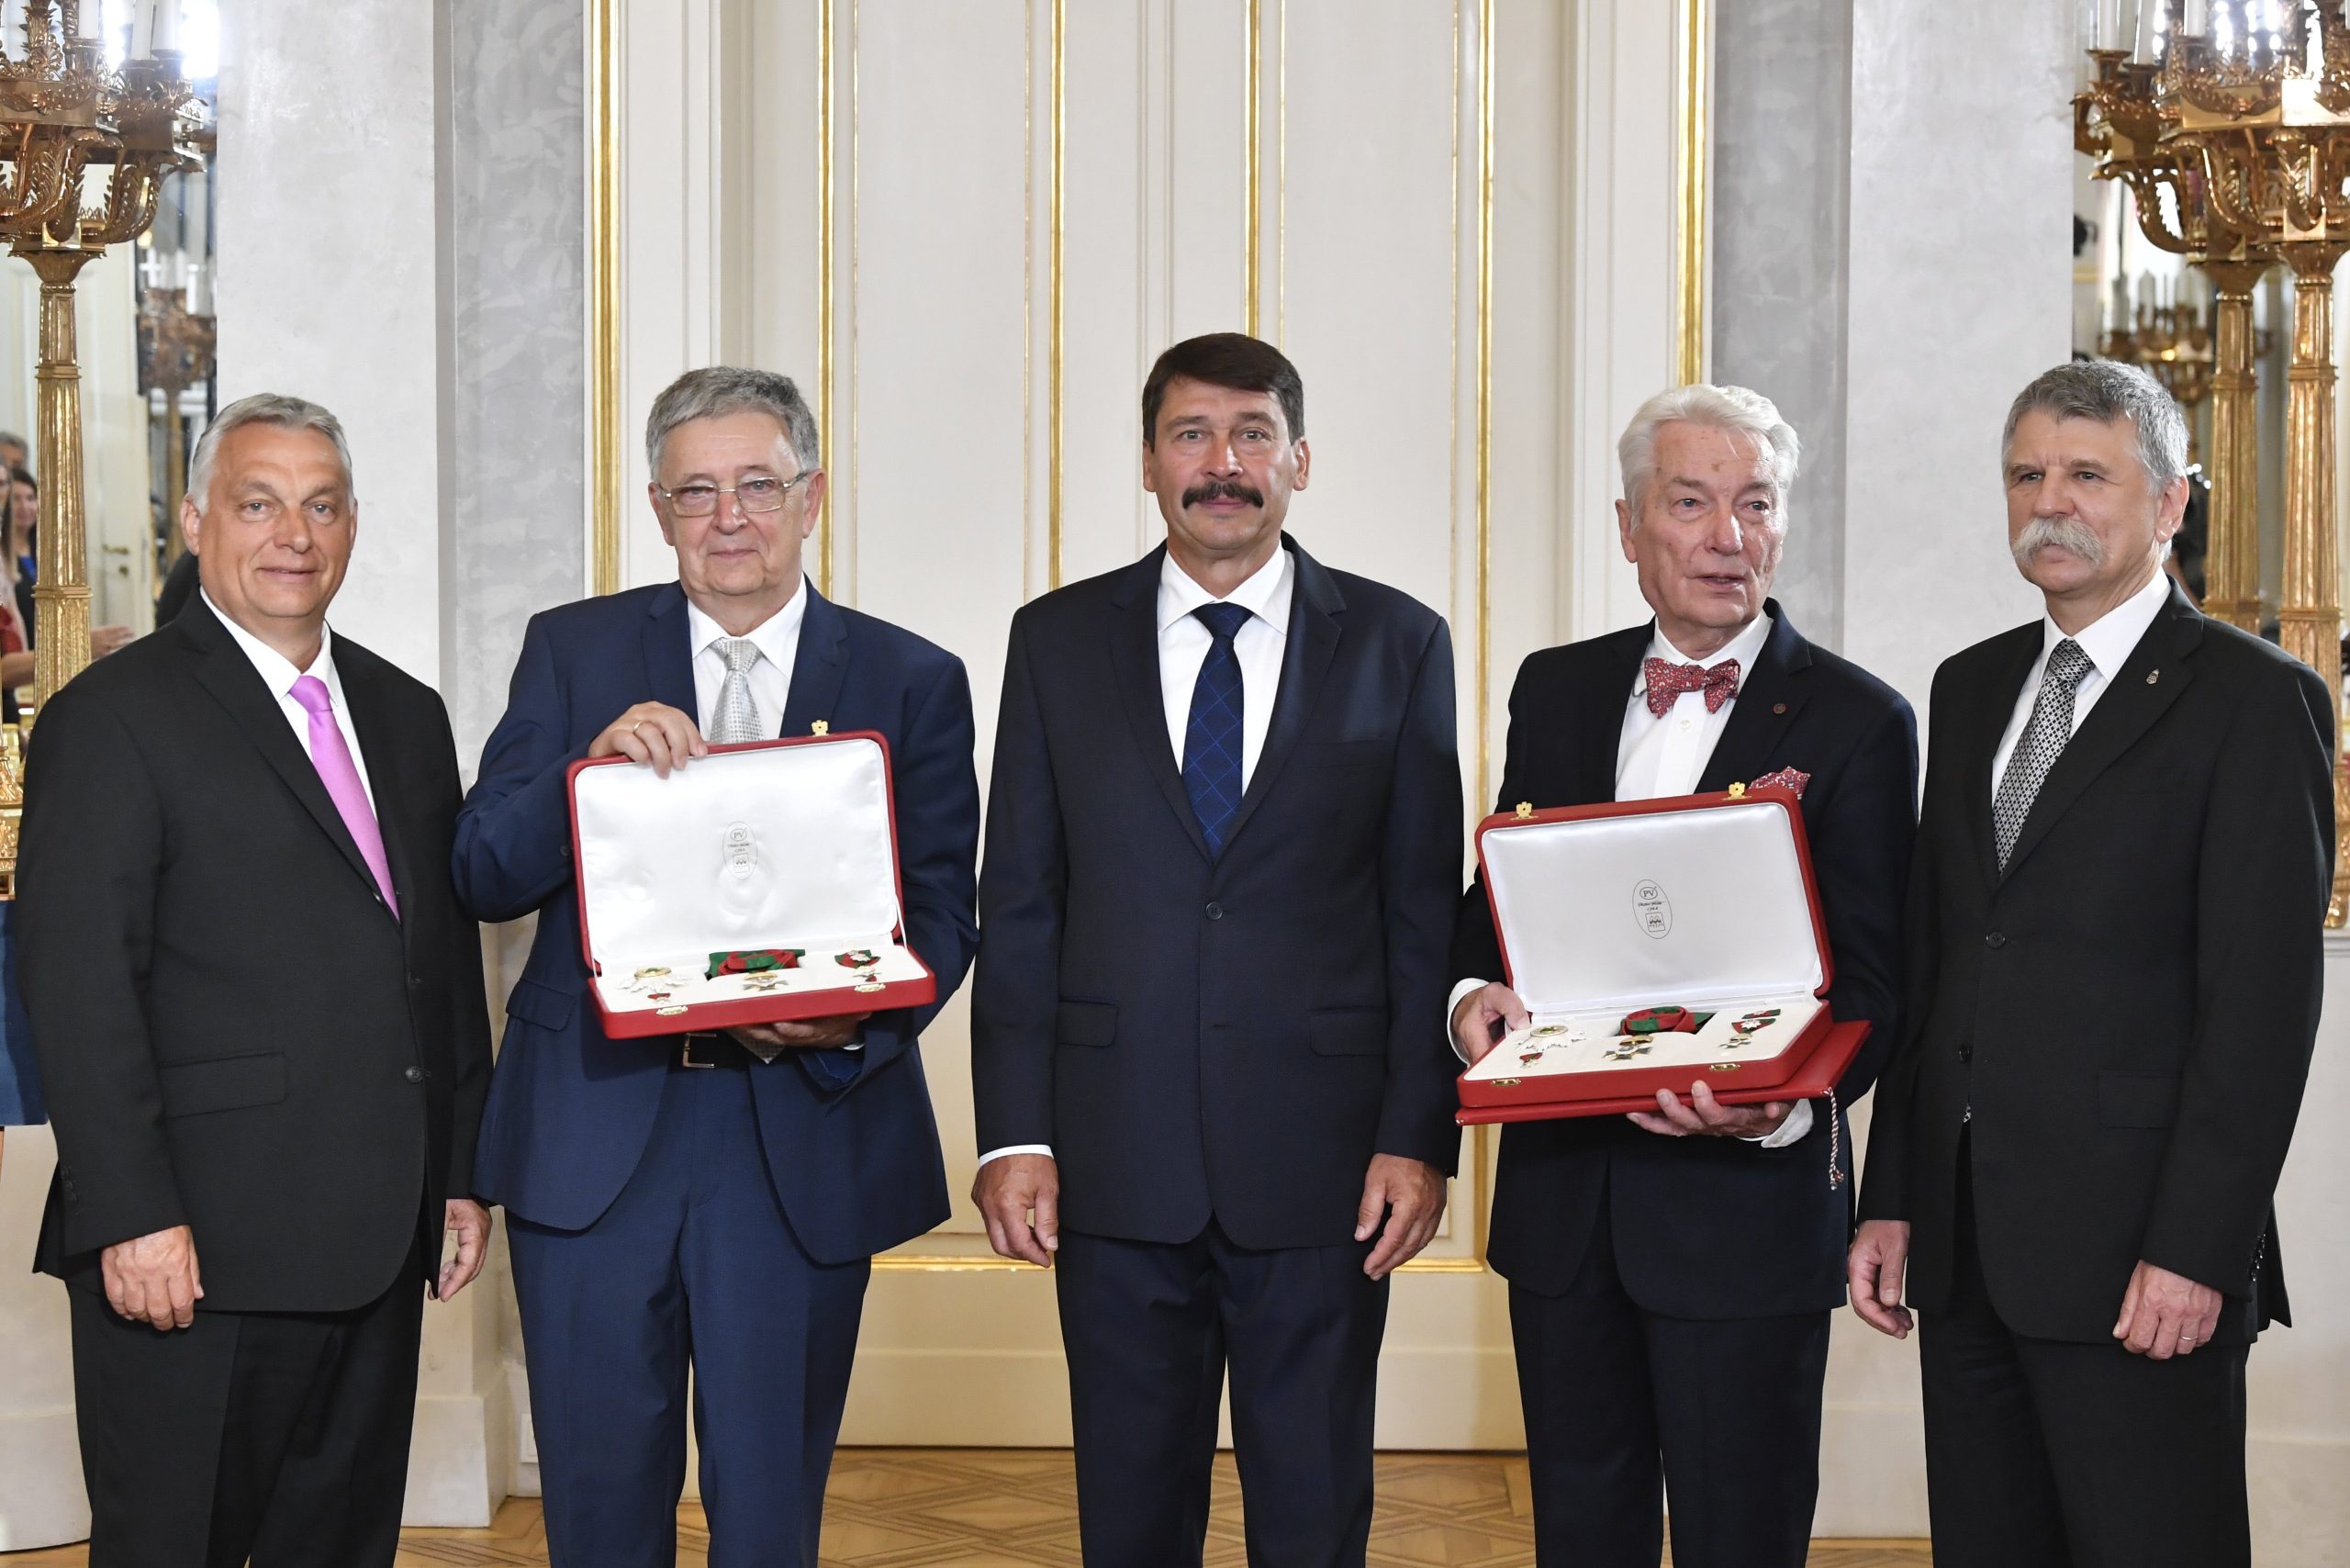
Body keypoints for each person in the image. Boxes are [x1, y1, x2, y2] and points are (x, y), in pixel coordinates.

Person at [454, 366, 979, 1567]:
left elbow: (944, 910)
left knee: (767, 1510)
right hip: (595, 1137)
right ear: (658, 507)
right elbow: (482, 869)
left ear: (812, 498)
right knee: (595, 1508)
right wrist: (581, 772)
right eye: (698, 492)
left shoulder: (912, 679)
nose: (729, 516)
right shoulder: (575, 650)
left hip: (797, 1141)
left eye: (757, 485)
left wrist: (846, 1022)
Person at [971, 332, 1462, 1565]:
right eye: (1191, 435)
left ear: (1300, 459)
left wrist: (1418, 1134)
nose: (1222, 463)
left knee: (1312, 1513)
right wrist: (1014, 1132)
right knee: (1130, 1519)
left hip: (1327, 1166)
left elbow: (1420, 916)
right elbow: (1020, 904)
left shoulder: (1400, 645)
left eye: (1252, 435)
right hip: (1113, 1156)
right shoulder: (1055, 642)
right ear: (1148, 463)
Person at [1849, 361, 2331, 1568]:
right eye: (2026, 473)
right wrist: (1895, 1194)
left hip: (2138, 1258)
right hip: (1965, 1256)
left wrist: (2196, 1249)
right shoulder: (1969, 690)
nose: (2048, 501)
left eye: (2086, 474)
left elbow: (2261, 1010)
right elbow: (1939, 964)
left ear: (2171, 502)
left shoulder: (2253, 702)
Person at [16, 393, 494, 1567]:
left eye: (320, 505)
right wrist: (128, 1212)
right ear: (194, 520)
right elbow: (78, 986)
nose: (294, 532)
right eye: (259, 502)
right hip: (194, 1249)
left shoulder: (408, 714)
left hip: (379, 1238)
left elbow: (437, 966)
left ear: (351, 525)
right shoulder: (110, 719)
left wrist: (461, 1173)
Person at [1448, 385, 1917, 1568]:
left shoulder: (1859, 718)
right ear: (1628, 527)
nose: (1727, 536)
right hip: (1564, 1212)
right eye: (1692, 503)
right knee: (1580, 1534)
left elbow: (1874, 973)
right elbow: (1492, 910)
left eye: (1754, 505)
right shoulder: (1554, 686)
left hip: (1744, 1210)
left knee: (1740, 1538)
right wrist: (1469, 1002)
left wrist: (1784, 1105)